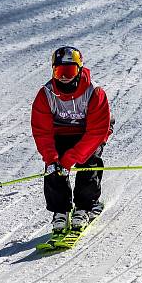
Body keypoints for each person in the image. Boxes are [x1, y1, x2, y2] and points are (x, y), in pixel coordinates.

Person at [31, 46, 112, 233]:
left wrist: (70, 160)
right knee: (53, 167)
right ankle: (60, 210)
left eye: (70, 71)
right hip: (60, 133)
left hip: (89, 134)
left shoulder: (94, 92)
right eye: (59, 72)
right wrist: (53, 159)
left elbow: (97, 131)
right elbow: (42, 131)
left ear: (80, 70)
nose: (64, 77)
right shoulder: (46, 94)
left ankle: (85, 206)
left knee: (88, 160)